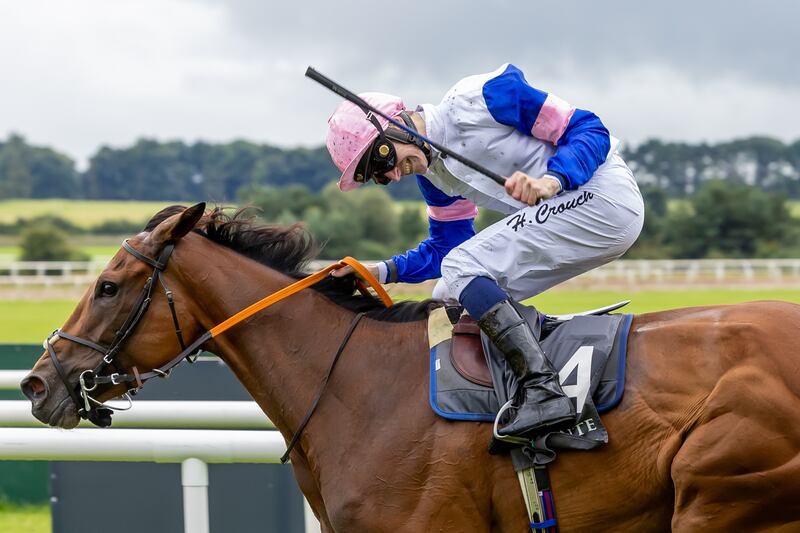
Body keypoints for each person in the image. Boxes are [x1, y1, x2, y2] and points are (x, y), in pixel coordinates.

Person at [324, 63, 644, 438]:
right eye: (378, 178)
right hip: (574, 218)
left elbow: (590, 127)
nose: (393, 176)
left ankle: (544, 390)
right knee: (448, 290)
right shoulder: (434, 177)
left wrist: (552, 181)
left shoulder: (483, 97)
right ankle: (524, 385)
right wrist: (379, 271)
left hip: (603, 197)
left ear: (392, 124)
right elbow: (447, 246)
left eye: (381, 161)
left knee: (463, 269)